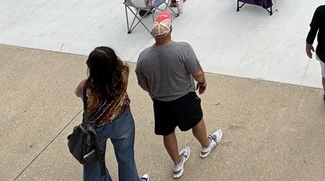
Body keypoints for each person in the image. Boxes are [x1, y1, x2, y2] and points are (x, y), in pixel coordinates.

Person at [135, 12, 222, 179]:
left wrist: (153, 91)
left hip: (160, 102)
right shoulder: (183, 49)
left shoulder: (143, 56)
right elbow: (197, 73)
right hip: (184, 98)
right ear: (171, 30)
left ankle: (177, 164)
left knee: (167, 132)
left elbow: (141, 82)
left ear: (152, 35)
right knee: (196, 121)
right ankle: (206, 145)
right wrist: (203, 83)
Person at [74, 46, 149, 181]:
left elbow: (77, 94)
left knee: (94, 164)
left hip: (96, 129)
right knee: (126, 158)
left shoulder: (85, 87)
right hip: (122, 120)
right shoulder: (123, 72)